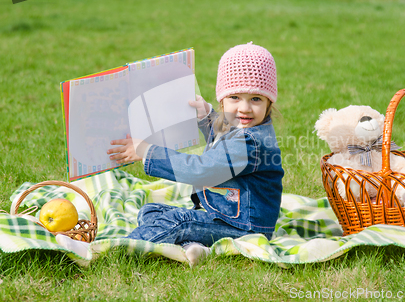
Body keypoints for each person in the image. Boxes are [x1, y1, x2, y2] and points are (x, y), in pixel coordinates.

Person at [57, 42, 284, 266]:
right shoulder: (241, 127)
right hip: (228, 216)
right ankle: (199, 248)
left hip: (245, 226)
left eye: (255, 99)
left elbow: (201, 170)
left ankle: (101, 252)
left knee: (177, 221)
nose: (244, 108)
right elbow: (222, 135)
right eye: (235, 97)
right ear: (222, 99)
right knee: (151, 210)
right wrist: (206, 116)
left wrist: (147, 151)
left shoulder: (250, 142)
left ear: (268, 102)